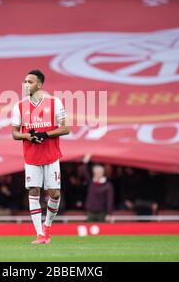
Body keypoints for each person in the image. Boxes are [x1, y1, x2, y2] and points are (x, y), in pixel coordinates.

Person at [11, 69, 70, 244]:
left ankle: (47, 226)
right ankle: (39, 234)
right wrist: (29, 136)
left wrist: (45, 135)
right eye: (25, 81)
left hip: (51, 155)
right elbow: (15, 134)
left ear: (39, 84)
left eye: (30, 81)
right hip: (31, 156)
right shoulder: (19, 105)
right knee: (34, 190)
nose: (26, 84)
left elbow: (66, 129)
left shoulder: (54, 102)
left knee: (54, 194)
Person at [82, 154, 114, 222]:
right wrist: (85, 161)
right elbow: (84, 171)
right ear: (93, 172)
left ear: (103, 172)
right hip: (90, 211)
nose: (98, 173)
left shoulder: (107, 185)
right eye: (96, 172)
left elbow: (109, 200)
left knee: (102, 230)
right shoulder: (91, 182)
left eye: (99, 172)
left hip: (101, 212)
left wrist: (109, 213)